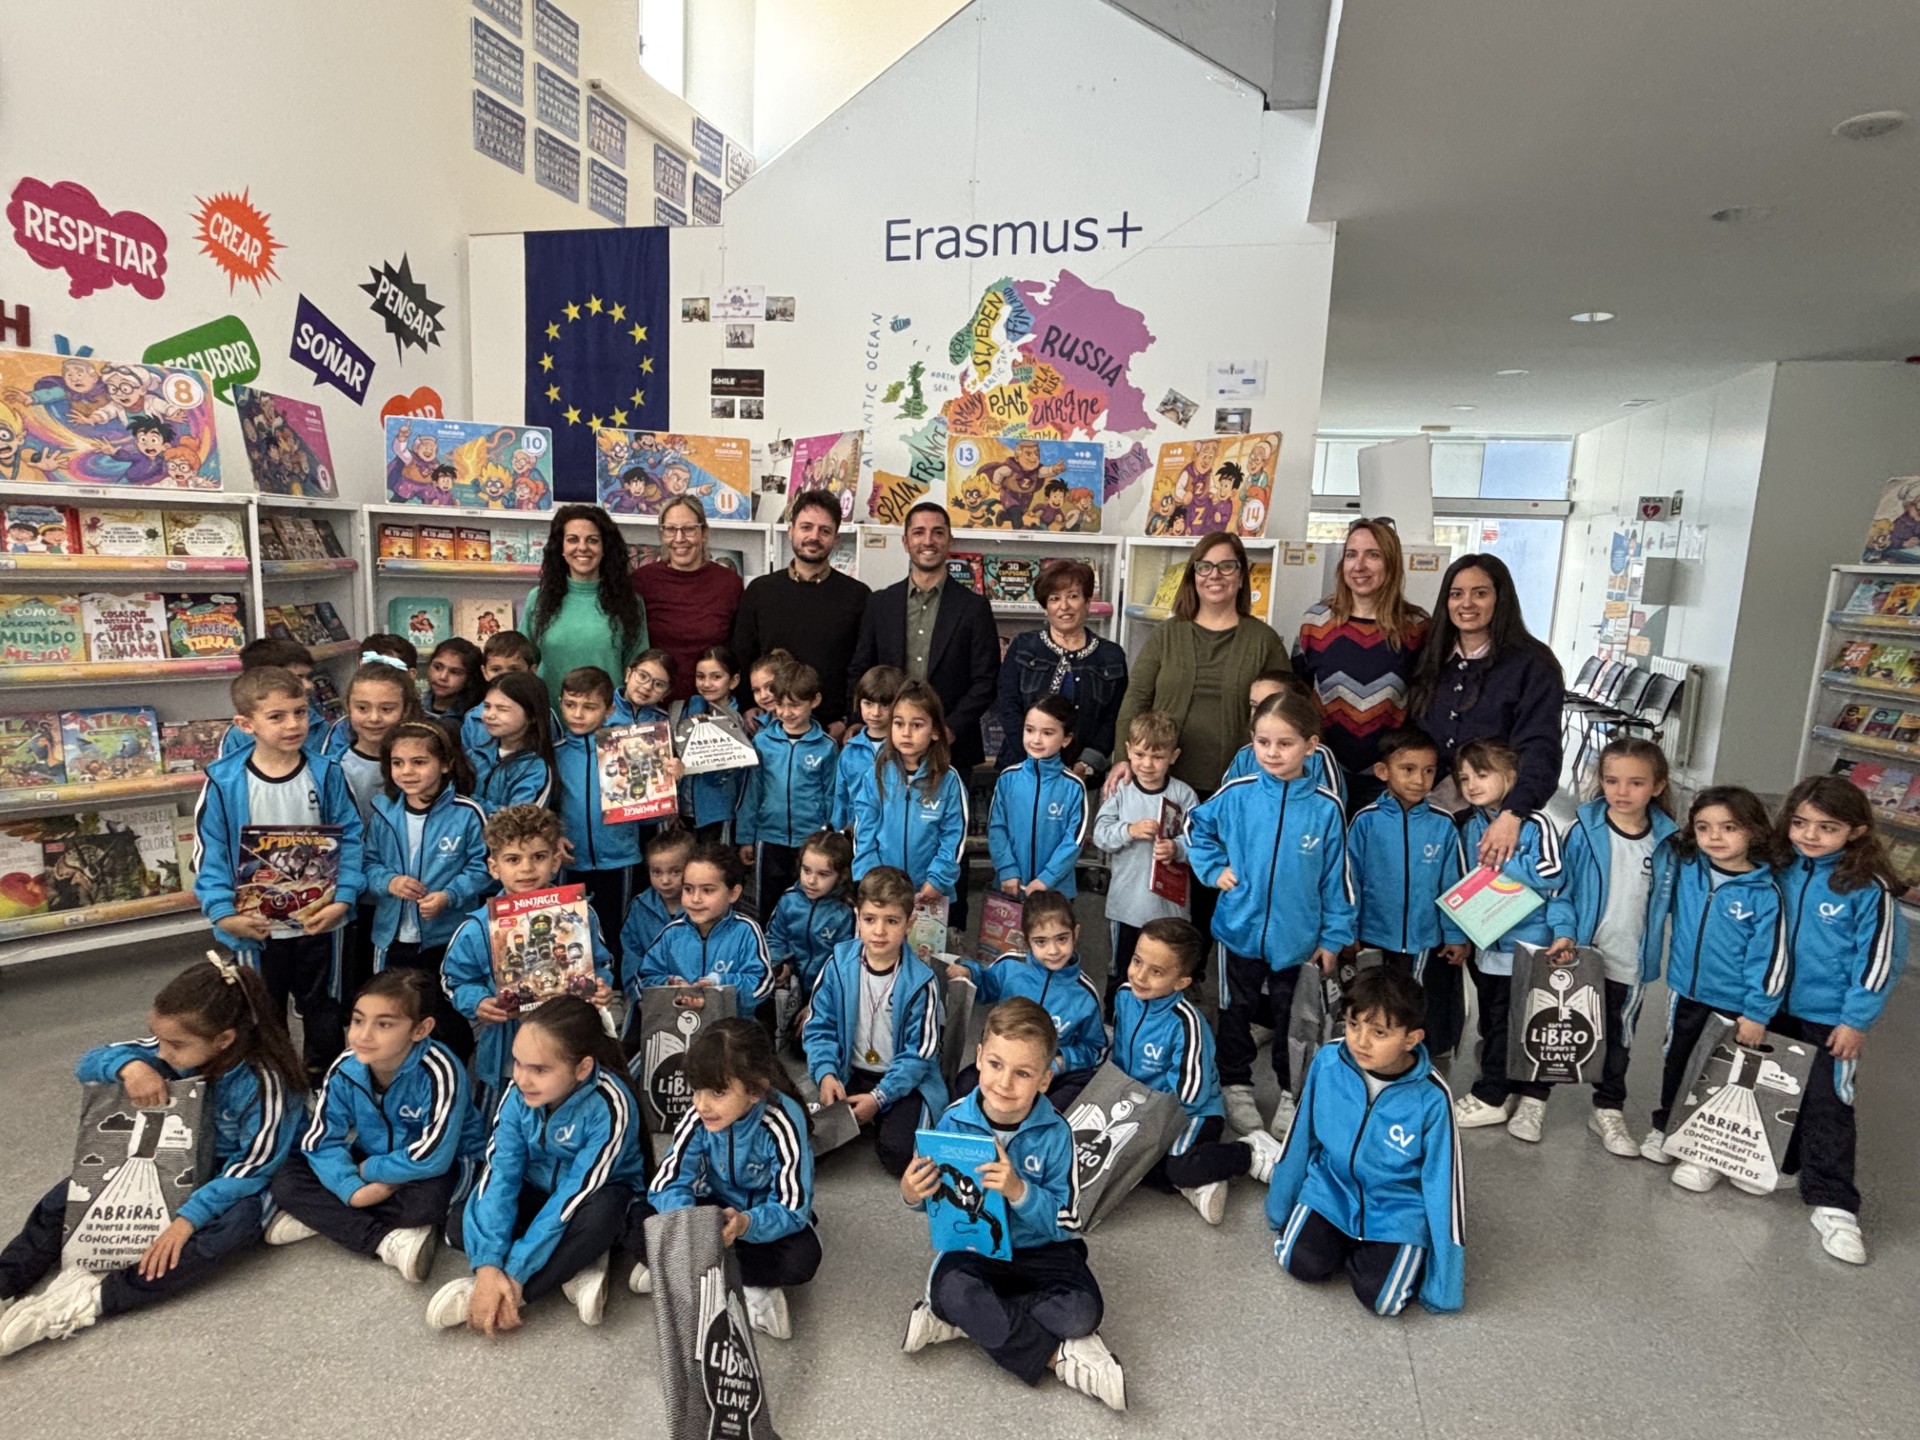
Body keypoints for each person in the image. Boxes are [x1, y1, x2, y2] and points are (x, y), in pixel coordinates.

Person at [0, 957, 305, 1355]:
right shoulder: (172, 1052)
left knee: (227, 1230)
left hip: (241, 1177)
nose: (162, 1051)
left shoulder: (265, 1081)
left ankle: (92, 1298)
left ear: (225, 1039)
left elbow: (256, 1165)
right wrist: (129, 1067)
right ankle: (7, 1282)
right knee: (68, 1196)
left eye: (175, 1045)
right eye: (157, 1038)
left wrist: (185, 1220)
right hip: (176, 1162)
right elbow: (90, 1061)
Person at [898, 998, 1125, 1412]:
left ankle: (966, 1320)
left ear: (1044, 1078)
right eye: (997, 1065)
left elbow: (1070, 1220)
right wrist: (913, 1193)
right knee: (952, 1288)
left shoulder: (1058, 1134)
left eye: (1023, 1073)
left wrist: (1021, 1191)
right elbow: (932, 1199)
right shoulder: (952, 1121)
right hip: (976, 1251)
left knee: (1083, 1314)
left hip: (1044, 1251)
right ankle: (1059, 1358)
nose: (1005, 1083)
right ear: (980, 1058)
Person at [1185, 689, 1356, 1142]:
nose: (1272, 753)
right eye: (1263, 742)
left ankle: (1290, 1092)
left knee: (1292, 1022)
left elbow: (1337, 881)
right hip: (1237, 933)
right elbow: (1194, 827)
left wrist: (1333, 939)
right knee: (1234, 1013)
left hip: (1297, 942)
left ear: (1310, 746)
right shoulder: (1237, 794)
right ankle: (1235, 1086)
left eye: (1285, 743)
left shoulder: (1325, 807)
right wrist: (1213, 868)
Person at [428, 997, 653, 1331]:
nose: (523, 1079)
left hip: (589, 1199)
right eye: (518, 1063)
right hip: (539, 1190)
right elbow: (501, 1175)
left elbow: (572, 1197)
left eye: (540, 1069)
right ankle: (577, 1267)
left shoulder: (610, 1104)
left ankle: (510, 1296)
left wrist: (515, 1274)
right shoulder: (518, 1095)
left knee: (602, 1217)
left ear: (583, 1068)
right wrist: (489, 1266)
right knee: (460, 1223)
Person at [1107, 530, 1289, 942]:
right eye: (1205, 566)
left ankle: (1204, 972)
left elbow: (1284, 711)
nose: (1215, 575)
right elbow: (1136, 696)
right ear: (1193, 575)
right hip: (1166, 784)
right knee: (1167, 880)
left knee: (1222, 881)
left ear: (1242, 576)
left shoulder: (1263, 640)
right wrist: (1123, 756)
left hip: (1236, 786)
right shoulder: (1169, 634)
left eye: (1227, 565)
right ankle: (1164, 969)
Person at [194, 666, 365, 1083]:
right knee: (261, 1006)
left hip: (320, 922)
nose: (293, 725)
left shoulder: (325, 772)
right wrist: (222, 912)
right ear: (245, 724)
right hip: (255, 927)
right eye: (277, 716)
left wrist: (344, 898)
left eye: (300, 712)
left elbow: (353, 838)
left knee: (323, 1003)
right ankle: (271, 1076)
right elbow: (210, 852)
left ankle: (326, 1075)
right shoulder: (224, 780)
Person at [1266, 966, 1465, 1316]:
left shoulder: (1432, 1097)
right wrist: (1279, 1208)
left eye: (1379, 1032)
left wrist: (1443, 1286)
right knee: (1298, 1261)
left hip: (1396, 1207)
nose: (1361, 1041)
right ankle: (1345, 1241)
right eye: (1354, 1025)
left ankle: (1372, 1249)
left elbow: (1443, 1186)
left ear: (1411, 1039)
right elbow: (1301, 1138)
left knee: (1384, 1300)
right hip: (1332, 1189)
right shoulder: (1329, 1060)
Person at [265, 970, 483, 1282]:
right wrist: (352, 1191)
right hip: (373, 1162)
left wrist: (371, 1172)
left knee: (427, 1204)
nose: (364, 1035)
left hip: (441, 1165)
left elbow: (433, 1157)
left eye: (384, 1024)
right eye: (357, 1020)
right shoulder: (346, 1066)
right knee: (286, 1179)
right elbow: (321, 1140)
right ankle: (387, 1241)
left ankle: (326, 1217)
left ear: (421, 1029)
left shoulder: (440, 1070)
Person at [1770, 776, 1908, 1265]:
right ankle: (1780, 1165)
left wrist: (1855, 1020)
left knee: (1828, 1103)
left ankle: (1833, 1202)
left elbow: (1878, 960)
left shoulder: (1868, 890)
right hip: (1773, 1008)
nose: (1809, 835)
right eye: (1801, 822)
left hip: (1830, 1018)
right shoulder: (1777, 869)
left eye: (1827, 827)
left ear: (1856, 831)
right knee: (1775, 1090)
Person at [1638, 786, 1785, 1189]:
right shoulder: (1689, 867)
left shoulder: (1765, 891)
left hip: (1736, 1005)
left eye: (1729, 827)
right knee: (1678, 1061)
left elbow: (1769, 957)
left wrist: (1756, 1012)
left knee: (1722, 1077)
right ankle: (1666, 1125)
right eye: (1703, 827)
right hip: (1686, 990)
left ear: (1754, 831)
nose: (1714, 837)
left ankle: (1706, 1152)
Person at [636, 1019, 821, 1339]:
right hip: (713, 1211)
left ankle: (695, 1274)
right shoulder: (700, 1113)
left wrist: (746, 1224)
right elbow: (668, 1181)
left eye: (718, 1092)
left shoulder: (782, 1121)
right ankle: (737, 1281)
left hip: (758, 1220)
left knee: (802, 1260)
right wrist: (690, 1220)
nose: (701, 1104)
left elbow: (793, 1208)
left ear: (755, 1090)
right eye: (696, 1089)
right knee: (635, 1216)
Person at [1543, 737, 1679, 1157]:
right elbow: (1560, 890)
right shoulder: (1582, 830)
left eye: (1636, 783)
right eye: (1612, 780)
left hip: (1630, 961)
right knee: (1555, 1027)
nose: (1622, 791)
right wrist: (1564, 932)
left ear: (1657, 786)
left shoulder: (1670, 843)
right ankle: (1533, 1099)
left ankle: (1607, 1108)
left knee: (1618, 1038)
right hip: (1581, 952)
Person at [442, 805, 617, 1118]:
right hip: (505, 1052)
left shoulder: (580, 915)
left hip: (568, 1043)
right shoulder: (476, 927)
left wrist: (602, 987)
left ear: (554, 861)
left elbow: (601, 963)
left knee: (568, 1120)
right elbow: (454, 980)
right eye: (513, 859)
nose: (526, 868)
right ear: (494, 867)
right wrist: (479, 1002)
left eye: (538, 856)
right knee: (498, 1125)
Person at [1107, 919, 1282, 1225]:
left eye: (1156, 971)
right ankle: (1198, 1187)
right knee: (1114, 1161)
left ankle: (1249, 1152)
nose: (1140, 975)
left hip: (1190, 1112)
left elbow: (1189, 1094)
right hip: (1140, 1107)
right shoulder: (1124, 995)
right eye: (1137, 961)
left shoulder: (1187, 1023)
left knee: (1177, 1166)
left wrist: (1145, 1127)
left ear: (1182, 983)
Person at [1409, 554, 1563, 869]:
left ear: (1500, 598)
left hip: (1495, 817)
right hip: (1427, 812)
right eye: (1456, 594)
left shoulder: (1533, 664)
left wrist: (1513, 814)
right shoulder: (1430, 657)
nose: (1467, 603)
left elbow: (1539, 745)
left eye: (1480, 593)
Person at [1447, 740, 1565, 1142]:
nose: (1472, 784)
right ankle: (1503, 1084)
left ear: (1511, 778)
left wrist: (1503, 861)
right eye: (1464, 778)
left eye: (1482, 775)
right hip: (1488, 943)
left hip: (1527, 946)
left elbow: (1551, 872)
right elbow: (1467, 881)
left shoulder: (1535, 823)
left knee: (1515, 1021)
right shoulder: (1470, 823)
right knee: (1494, 1018)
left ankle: (1492, 1096)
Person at [803, 865, 945, 1176]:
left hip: (903, 1082)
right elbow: (819, 1028)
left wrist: (880, 1098)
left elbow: (919, 1056)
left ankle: (875, 1118)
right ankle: (862, 1117)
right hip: (849, 1073)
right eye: (870, 919)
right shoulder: (838, 965)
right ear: (858, 917)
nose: (879, 931)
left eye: (891, 921)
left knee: (899, 1157)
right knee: (804, 1146)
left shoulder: (922, 981)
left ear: (909, 923)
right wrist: (826, 1074)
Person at [363, 720, 488, 1058]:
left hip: (446, 935)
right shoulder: (383, 811)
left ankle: (453, 1069)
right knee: (395, 1009)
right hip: (392, 937)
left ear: (445, 764)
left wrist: (450, 895)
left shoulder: (468, 813)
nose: (407, 772)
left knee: (446, 1013)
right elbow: (368, 865)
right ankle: (404, 1070)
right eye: (398, 762)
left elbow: (484, 869)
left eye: (419, 762)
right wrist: (389, 882)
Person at [1346, 729, 1471, 1062]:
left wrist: (1456, 935)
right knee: (1374, 1003)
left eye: (1429, 770)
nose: (1420, 779)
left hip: (1424, 939)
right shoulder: (1364, 822)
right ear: (1383, 771)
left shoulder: (1443, 824)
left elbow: (1452, 886)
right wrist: (1347, 931)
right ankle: (1375, 1061)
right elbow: (1350, 881)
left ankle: (1416, 1065)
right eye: (1408, 769)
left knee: (1415, 1003)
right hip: (1373, 936)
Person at [848, 501, 997, 776]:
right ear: (905, 542)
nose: (928, 541)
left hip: (951, 746)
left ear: (949, 540)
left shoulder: (974, 608)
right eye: (918, 532)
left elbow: (986, 681)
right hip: (885, 743)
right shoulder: (880, 603)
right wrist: (861, 719)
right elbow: (861, 669)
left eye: (938, 532)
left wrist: (948, 728)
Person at [1291, 519, 1431, 812]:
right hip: (1323, 772)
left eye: (1373, 555)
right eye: (1351, 554)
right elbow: (1297, 694)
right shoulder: (1316, 622)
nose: (1359, 565)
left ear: (1391, 564)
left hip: (1389, 779)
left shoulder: (1417, 628)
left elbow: (1424, 703)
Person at [946, 889, 1106, 1111]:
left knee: (1073, 1099)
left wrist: (1062, 1061)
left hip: (1050, 1074)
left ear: (1075, 934)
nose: (1053, 950)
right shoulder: (1011, 965)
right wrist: (970, 973)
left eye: (1062, 939)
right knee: (965, 1084)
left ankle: (1034, 1137)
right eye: (1041, 942)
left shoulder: (1084, 993)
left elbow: (1094, 1048)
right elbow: (986, 985)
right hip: (1006, 1065)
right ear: (1026, 941)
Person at [326, 657, 426, 1002]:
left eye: (386, 708)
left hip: (414, 889)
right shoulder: (336, 767)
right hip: (360, 893)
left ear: (406, 708)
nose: (373, 718)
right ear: (348, 708)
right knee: (364, 983)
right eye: (362, 707)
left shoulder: (423, 761)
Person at [733, 487, 872, 732]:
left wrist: (849, 719)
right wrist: (746, 705)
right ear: (791, 531)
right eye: (806, 527)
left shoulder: (858, 596)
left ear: (836, 538)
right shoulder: (760, 591)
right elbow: (743, 656)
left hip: (832, 729)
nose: (814, 536)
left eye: (824, 530)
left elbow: (861, 666)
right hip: (769, 725)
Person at [1092, 709, 1198, 1020]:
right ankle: (1115, 1021)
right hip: (1126, 906)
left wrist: (1177, 849)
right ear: (1128, 751)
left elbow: (1202, 845)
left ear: (1173, 756)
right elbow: (1099, 835)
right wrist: (1129, 831)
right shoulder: (1120, 791)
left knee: (1166, 967)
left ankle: (1163, 1022)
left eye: (1157, 756)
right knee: (1123, 966)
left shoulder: (1184, 795)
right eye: (1139, 754)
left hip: (1169, 910)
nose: (1147, 764)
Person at [993, 558, 1128, 779]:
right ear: (1046, 607)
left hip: (1082, 776)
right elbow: (1008, 705)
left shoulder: (1110, 656)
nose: (1064, 606)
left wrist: (1087, 763)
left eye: (1073, 596)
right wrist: (1031, 760)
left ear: (1086, 603)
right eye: (1054, 599)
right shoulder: (1024, 646)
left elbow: (1115, 718)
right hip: (1021, 771)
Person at [551, 666, 647, 965]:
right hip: (570, 860)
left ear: (609, 710)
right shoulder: (553, 753)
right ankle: (578, 999)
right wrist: (551, 836)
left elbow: (652, 815)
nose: (578, 714)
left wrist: (667, 781)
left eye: (589, 706)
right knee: (569, 934)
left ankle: (617, 993)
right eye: (570, 704)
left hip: (620, 858)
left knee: (617, 931)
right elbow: (545, 807)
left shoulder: (631, 750)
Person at [850, 681, 969, 912]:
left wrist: (938, 880)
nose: (906, 732)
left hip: (929, 893)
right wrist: (871, 876)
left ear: (935, 731)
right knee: (883, 944)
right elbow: (864, 828)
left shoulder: (949, 780)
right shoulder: (876, 773)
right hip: (882, 890)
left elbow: (954, 836)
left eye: (917, 725)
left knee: (924, 949)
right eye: (898, 723)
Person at [628, 844, 773, 1024]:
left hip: (732, 1031)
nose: (695, 899)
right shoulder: (672, 934)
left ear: (733, 893)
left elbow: (761, 984)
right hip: (677, 1027)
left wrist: (716, 986)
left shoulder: (746, 931)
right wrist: (671, 985)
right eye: (688, 889)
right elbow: (644, 980)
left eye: (707, 890)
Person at [737, 660, 837, 913]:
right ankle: (769, 952)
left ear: (814, 701)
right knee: (768, 905)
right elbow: (751, 792)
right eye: (780, 704)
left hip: (811, 842)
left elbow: (832, 795)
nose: (786, 712)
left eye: (795, 705)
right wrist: (746, 837)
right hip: (768, 838)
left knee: (809, 904)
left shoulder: (826, 746)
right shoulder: (762, 741)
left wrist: (829, 836)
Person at [523, 504, 649, 698]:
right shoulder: (538, 599)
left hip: (608, 721)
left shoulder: (629, 602)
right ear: (561, 547)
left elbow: (638, 670)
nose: (582, 547)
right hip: (550, 720)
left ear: (605, 547)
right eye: (572, 539)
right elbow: (523, 662)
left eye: (592, 540)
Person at [633, 495, 744, 703]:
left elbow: (738, 652)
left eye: (689, 529)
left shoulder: (729, 584)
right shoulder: (642, 581)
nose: (679, 538)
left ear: (704, 533)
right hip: (652, 705)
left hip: (711, 707)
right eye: (670, 529)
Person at [988, 695, 1091, 899]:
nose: (1036, 739)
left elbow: (1074, 840)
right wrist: (1007, 870)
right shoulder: (1008, 779)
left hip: (1055, 890)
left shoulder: (1073, 786)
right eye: (1030, 730)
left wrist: (1047, 879)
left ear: (1066, 739)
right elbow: (996, 828)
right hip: (1010, 886)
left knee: (1051, 932)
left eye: (1047, 733)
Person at [765, 828, 857, 1029]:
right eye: (806, 870)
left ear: (841, 876)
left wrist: (816, 1004)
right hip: (790, 989)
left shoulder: (845, 912)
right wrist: (782, 964)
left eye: (823, 874)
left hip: (827, 995)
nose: (811, 881)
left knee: (804, 1044)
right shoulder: (789, 899)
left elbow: (843, 967)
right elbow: (775, 937)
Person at [676, 645, 750, 842]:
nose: (707, 683)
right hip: (683, 810)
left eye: (716, 677)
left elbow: (729, 774)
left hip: (717, 812)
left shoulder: (738, 721)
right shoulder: (684, 710)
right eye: (700, 676)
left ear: (733, 680)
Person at [218, 637, 326, 761]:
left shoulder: (322, 727)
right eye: (297, 677)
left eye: (300, 712)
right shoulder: (238, 736)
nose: (308, 685)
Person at [466, 670, 557, 815]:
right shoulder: (474, 755)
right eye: (487, 706)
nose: (490, 715)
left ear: (531, 716)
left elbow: (517, 820)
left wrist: (470, 803)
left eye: (502, 709)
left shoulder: (534, 768)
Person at [835, 663, 905, 836]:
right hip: (856, 834)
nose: (875, 712)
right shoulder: (850, 750)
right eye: (868, 703)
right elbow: (840, 797)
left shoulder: (905, 749)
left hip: (896, 836)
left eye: (884, 705)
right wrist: (836, 834)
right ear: (858, 702)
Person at [620, 827, 694, 985]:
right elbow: (632, 957)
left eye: (675, 872)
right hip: (652, 994)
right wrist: (637, 996)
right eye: (657, 872)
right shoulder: (639, 908)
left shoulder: (703, 907)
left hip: (697, 992)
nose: (665, 880)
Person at [459, 631, 542, 752]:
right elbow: (467, 763)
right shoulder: (473, 719)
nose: (505, 676)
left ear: (532, 671)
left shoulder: (542, 714)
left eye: (514, 670)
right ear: (485, 672)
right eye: (496, 669)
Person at [423, 638, 486, 738]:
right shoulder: (414, 709)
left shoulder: (475, 720)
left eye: (455, 672)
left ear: (469, 678)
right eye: (437, 667)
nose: (443, 677)